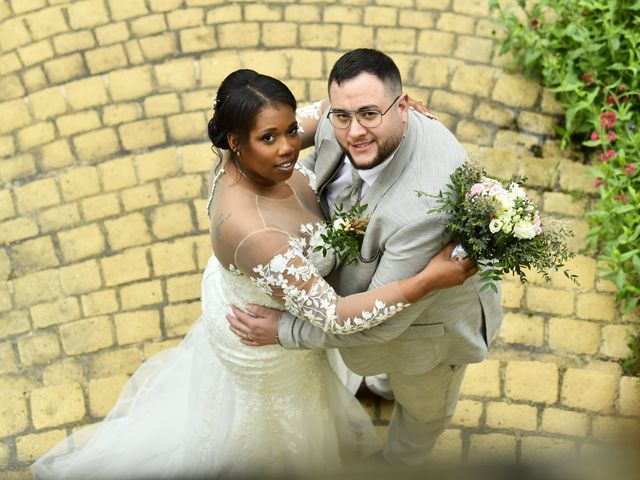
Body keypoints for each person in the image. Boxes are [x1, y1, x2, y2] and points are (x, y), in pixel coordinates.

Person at [32, 69, 477, 479]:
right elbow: (336, 317)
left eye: (288, 131)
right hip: (264, 338)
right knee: (283, 433)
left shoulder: (257, 149)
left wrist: (385, 110)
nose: (288, 147)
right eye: (270, 137)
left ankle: (375, 381)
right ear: (235, 141)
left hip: (250, 291)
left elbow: (323, 114)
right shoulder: (255, 231)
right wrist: (427, 280)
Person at [226, 49, 504, 466]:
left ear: (403, 107)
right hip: (372, 303)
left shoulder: (424, 209)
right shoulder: (335, 120)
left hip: (426, 336)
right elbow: (302, 122)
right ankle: (379, 382)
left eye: (370, 114)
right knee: (384, 373)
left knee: (423, 413)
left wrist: (286, 329)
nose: (354, 131)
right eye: (342, 115)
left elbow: (380, 326)